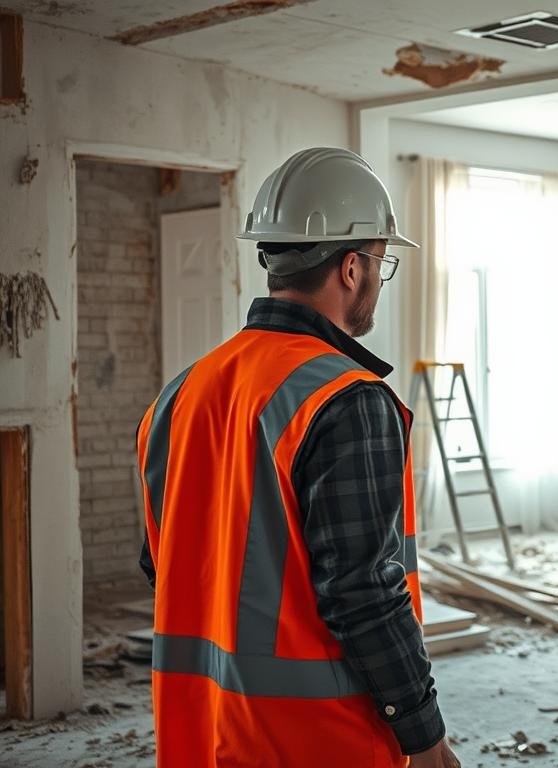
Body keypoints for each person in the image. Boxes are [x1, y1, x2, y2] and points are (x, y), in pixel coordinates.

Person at [136, 148, 458, 768]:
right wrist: (425, 736)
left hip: (201, 731)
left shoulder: (179, 393)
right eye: (380, 263)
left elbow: (165, 562)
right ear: (350, 267)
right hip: (315, 741)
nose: (376, 281)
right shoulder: (346, 399)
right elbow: (364, 593)